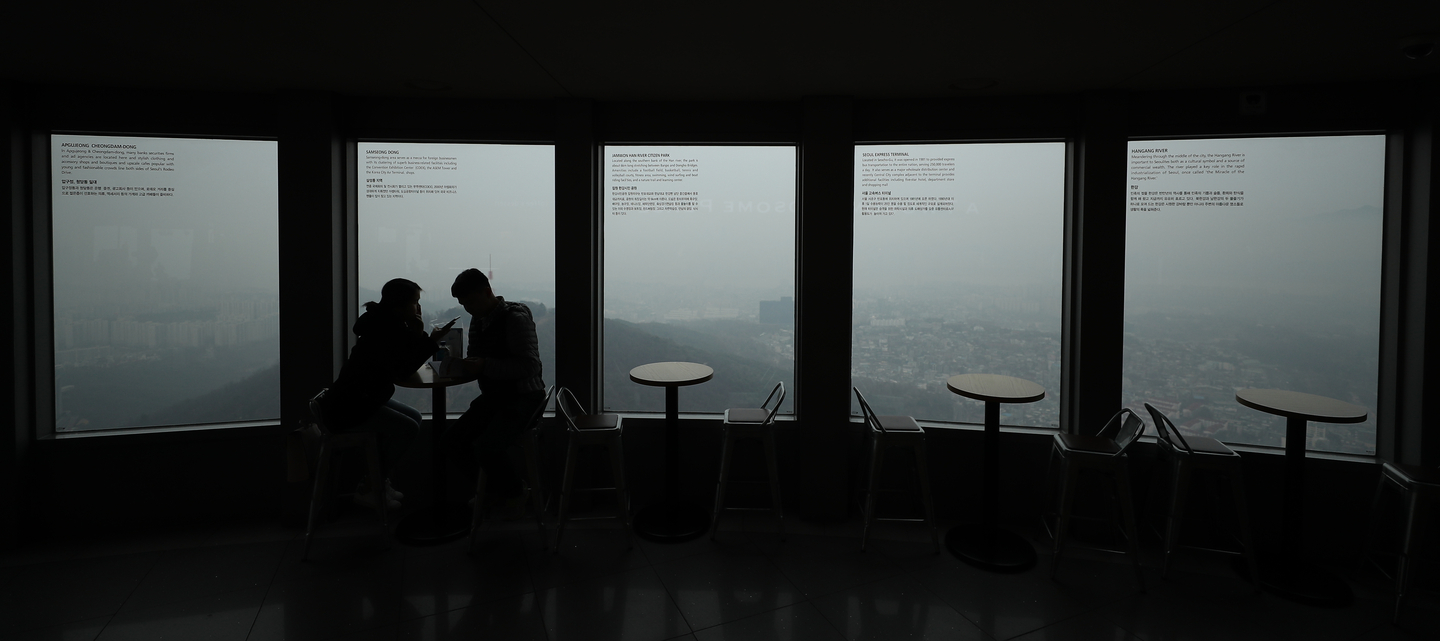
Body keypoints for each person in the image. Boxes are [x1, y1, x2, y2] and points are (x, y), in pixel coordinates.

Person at [320, 278, 452, 512]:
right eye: (415, 302)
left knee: (415, 417)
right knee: (408, 428)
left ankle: (377, 481)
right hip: (350, 407)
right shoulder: (386, 330)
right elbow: (403, 369)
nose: (418, 308)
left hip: (357, 399)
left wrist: (419, 334)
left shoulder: (385, 323)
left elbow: (404, 359)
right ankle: (371, 486)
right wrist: (428, 339)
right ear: (399, 305)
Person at [442, 268, 546, 517]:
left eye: (471, 302)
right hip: (497, 397)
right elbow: (476, 356)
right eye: (464, 304)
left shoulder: (515, 319)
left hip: (524, 396)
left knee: (487, 447)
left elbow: (530, 366)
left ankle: (513, 493)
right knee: (453, 440)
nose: (468, 309)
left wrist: (484, 366)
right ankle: (493, 491)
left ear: (487, 292)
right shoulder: (479, 319)